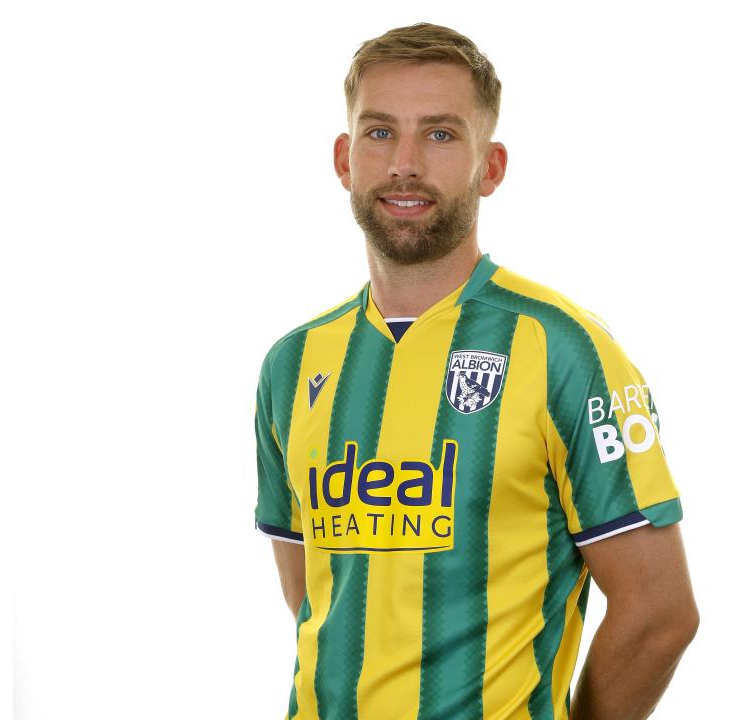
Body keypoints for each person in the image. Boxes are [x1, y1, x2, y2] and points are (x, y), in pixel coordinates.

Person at [254, 22, 699, 720]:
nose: (404, 163)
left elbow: (660, 615)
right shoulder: (292, 364)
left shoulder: (562, 349)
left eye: (439, 134)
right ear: (344, 159)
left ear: (490, 167)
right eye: (379, 132)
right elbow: (317, 598)